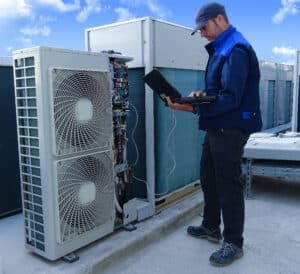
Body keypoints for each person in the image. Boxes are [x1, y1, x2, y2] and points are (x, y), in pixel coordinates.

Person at [165, 2, 262, 267]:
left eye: (204, 27)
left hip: (230, 127)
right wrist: (199, 98)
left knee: (228, 182)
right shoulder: (222, 48)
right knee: (208, 175)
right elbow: (219, 91)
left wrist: (189, 105)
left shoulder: (236, 49)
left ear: (220, 19)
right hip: (217, 124)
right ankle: (210, 226)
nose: (203, 34)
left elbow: (231, 98)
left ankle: (233, 241)